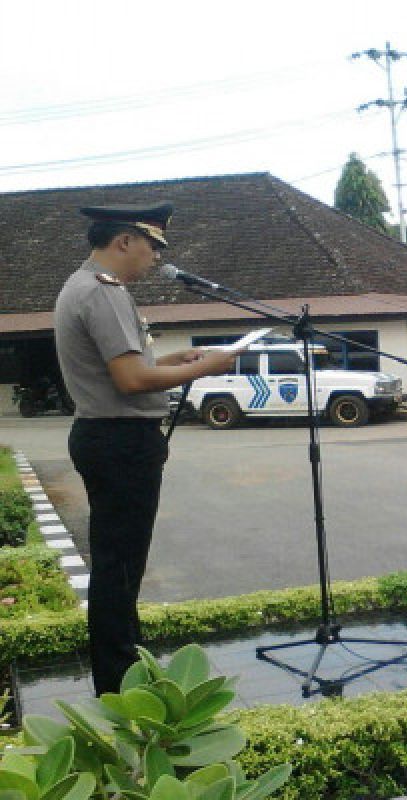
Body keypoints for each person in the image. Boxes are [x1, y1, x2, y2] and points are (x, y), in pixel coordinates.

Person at [54, 203, 238, 695]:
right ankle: (118, 685)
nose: (156, 257)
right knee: (118, 568)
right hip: (120, 441)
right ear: (123, 241)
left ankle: (128, 665)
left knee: (121, 564)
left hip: (107, 437)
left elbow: (131, 365)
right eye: (153, 246)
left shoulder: (83, 286)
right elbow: (133, 379)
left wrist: (177, 359)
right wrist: (206, 367)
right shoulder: (103, 292)